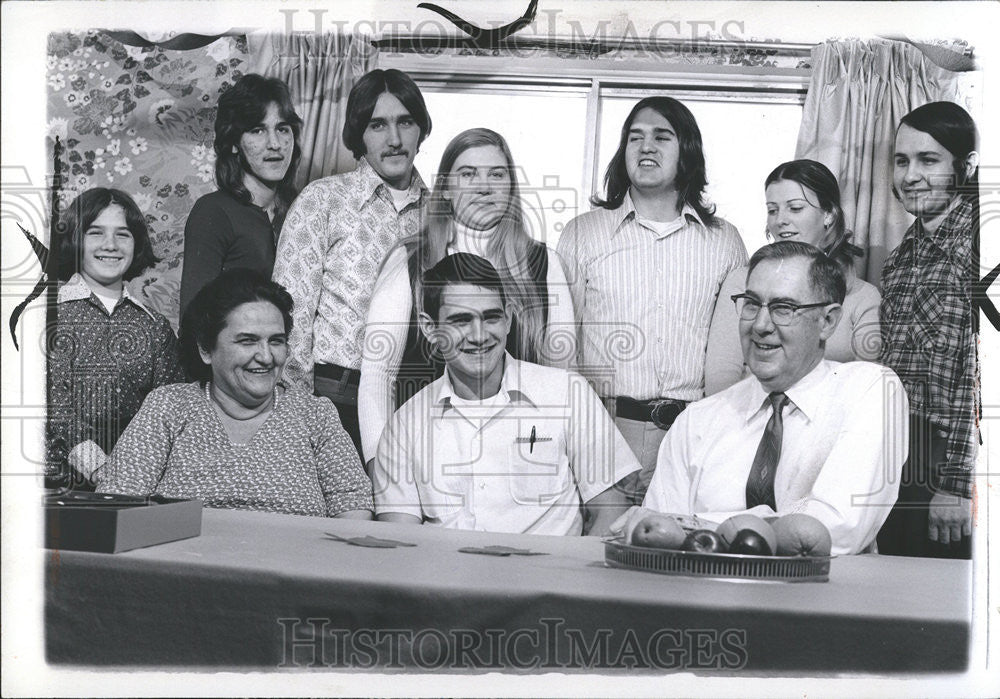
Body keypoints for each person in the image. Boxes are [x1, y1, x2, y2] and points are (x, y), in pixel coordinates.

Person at [624, 242, 907, 555]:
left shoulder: (871, 392)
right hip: (708, 599)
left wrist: (695, 525)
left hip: (823, 600)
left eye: (783, 309)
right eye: (751, 304)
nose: (760, 325)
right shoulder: (697, 421)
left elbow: (832, 529)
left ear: (828, 321)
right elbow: (658, 544)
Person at [556, 96, 747, 502]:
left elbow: (737, 350)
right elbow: (560, 348)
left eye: (662, 137)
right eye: (635, 137)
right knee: (598, 553)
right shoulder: (582, 233)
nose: (646, 147)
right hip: (605, 430)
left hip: (693, 432)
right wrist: (583, 436)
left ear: (687, 152)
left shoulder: (724, 241)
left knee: (679, 554)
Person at [373, 253, 638, 536]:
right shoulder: (404, 426)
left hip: (549, 577)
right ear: (430, 328)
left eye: (491, 318)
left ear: (509, 318)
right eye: (461, 321)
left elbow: (612, 511)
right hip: (447, 577)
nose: (479, 335)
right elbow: (399, 542)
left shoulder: (568, 394)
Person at [358, 128, 576, 467]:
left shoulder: (545, 263)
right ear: (444, 188)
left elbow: (563, 377)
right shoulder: (411, 259)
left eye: (497, 174)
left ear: (510, 187)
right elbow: (378, 376)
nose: (484, 186)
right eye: (468, 174)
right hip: (425, 456)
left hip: (516, 460)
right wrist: (380, 464)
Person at [95, 269, 374, 519]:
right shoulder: (168, 406)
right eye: (247, 340)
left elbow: (354, 512)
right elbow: (116, 502)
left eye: (276, 341)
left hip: (296, 569)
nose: (265, 356)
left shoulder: (315, 415)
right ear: (206, 349)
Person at [273, 69, 432, 456]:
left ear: (420, 130)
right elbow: (290, 315)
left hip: (417, 407)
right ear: (359, 134)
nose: (394, 140)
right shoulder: (322, 201)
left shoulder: (440, 215)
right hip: (334, 401)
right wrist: (298, 418)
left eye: (405, 122)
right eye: (378, 125)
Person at [876, 101, 979, 559]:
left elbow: (977, 377)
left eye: (928, 160)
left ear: (966, 167)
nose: (910, 174)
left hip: (948, 460)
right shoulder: (902, 255)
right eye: (902, 160)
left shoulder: (982, 247)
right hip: (899, 455)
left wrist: (956, 486)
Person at [47, 188, 185, 490]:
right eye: (95, 233)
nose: (110, 245)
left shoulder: (155, 327)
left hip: (137, 482)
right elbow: (52, 407)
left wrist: (136, 472)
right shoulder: (47, 316)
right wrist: (100, 469)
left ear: (137, 244)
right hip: (55, 483)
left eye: (123, 234)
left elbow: (169, 409)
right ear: (74, 240)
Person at [705, 159, 882, 394]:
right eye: (772, 210)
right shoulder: (742, 282)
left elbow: (867, 385)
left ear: (829, 214)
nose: (780, 220)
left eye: (795, 208)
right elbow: (720, 379)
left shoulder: (863, 296)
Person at [180, 74, 302, 316]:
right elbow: (194, 320)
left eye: (282, 129)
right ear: (234, 143)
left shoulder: (301, 211)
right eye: (258, 130)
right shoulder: (214, 212)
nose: (275, 144)